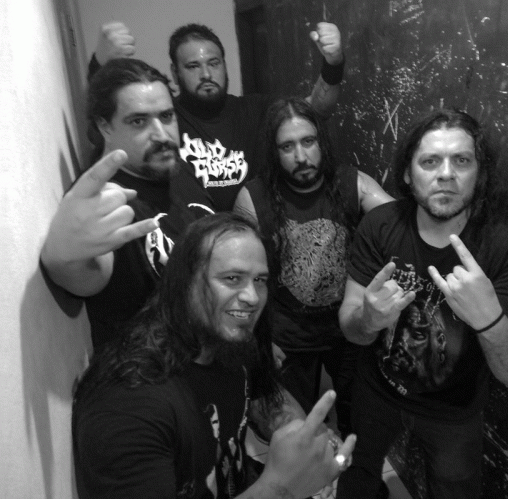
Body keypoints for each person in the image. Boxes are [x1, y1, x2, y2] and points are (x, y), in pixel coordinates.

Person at [334, 109, 508, 499]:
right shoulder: (380, 225)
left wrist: (490, 321)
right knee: (357, 477)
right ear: (407, 173)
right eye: (430, 161)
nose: (446, 174)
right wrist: (369, 319)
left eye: (461, 160)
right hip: (377, 391)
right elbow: (351, 329)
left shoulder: (502, 244)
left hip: (454, 411)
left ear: (479, 174)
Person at [72, 212, 356, 499]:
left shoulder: (227, 341)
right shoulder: (128, 406)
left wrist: (309, 442)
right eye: (232, 278)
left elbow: (266, 397)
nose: (252, 297)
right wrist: (281, 487)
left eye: (259, 280)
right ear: (184, 282)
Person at [233, 97, 395, 438]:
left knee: (358, 419)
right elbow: (240, 275)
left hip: (347, 328)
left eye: (308, 141)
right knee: (296, 430)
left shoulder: (352, 183)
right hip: (286, 334)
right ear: (274, 152)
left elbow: (400, 226)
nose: (301, 156)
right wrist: (257, 338)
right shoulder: (254, 198)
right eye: (287, 146)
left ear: (321, 141)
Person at [41, 58, 214, 349]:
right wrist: (62, 257)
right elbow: (81, 273)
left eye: (167, 116)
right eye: (138, 121)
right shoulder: (103, 201)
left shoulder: (176, 169)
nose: (162, 135)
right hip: (152, 371)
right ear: (104, 126)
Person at [91, 20, 345, 211]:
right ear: (175, 72)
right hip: (192, 239)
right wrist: (99, 63)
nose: (206, 74)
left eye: (213, 63)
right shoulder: (166, 119)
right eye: (193, 66)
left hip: (253, 237)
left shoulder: (255, 109)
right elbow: (105, 130)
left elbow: (316, 110)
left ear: (224, 64)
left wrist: (333, 63)